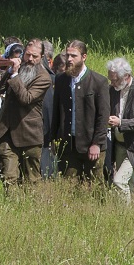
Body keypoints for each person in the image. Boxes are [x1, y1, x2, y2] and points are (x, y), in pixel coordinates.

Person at [48, 40, 107, 182]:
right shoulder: (61, 79)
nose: (69, 59)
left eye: (73, 56)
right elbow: (56, 111)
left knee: (94, 187)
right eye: (68, 55)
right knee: (68, 186)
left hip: (91, 145)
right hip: (68, 144)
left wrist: (97, 144)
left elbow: (103, 116)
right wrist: (54, 141)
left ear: (84, 57)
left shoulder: (99, 81)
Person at [0, 39, 52, 184]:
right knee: (9, 177)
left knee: (31, 179)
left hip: (29, 133)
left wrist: (14, 76)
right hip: (8, 130)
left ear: (42, 58)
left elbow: (26, 98)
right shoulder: (17, 68)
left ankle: (32, 206)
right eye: (27, 55)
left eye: (35, 56)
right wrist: (9, 72)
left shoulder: (43, 77)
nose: (30, 59)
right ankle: (12, 205)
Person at [104, 58, 134, 203]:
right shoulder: (112, 90)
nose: (112, 83)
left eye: (115, 80)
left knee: (119, 181)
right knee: (131, 185)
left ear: (126, 76)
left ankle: (123, 217)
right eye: (110, 79)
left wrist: (121, 123)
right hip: (119, 145)